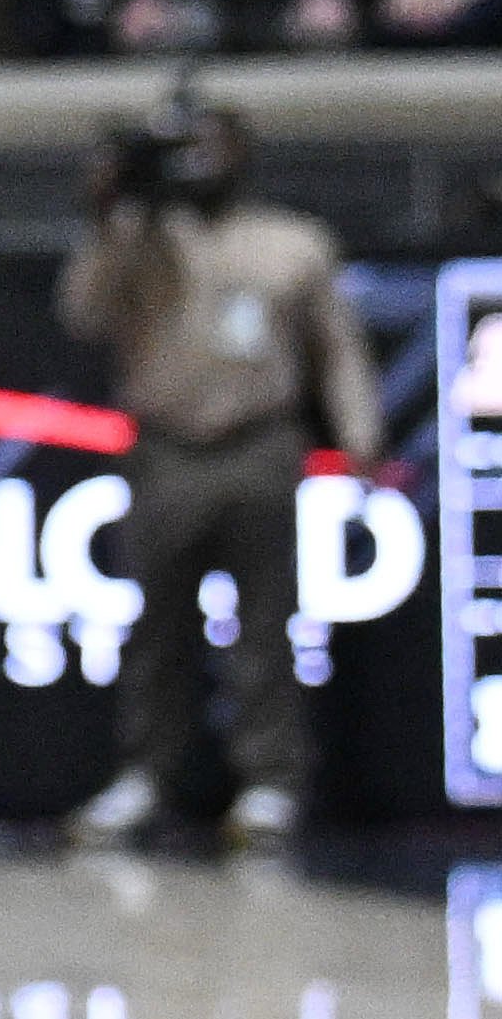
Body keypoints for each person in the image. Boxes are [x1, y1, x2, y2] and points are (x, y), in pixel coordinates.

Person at [59, 97, 372, 846]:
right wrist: (107, 213)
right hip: (165, 448)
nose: (198, 160)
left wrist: (360, 439)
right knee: (155, 626)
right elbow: (82, 314)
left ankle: (269, 780)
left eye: (212, 144)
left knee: (265, 624)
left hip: (259, 442)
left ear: (242, 152)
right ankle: (146, 773)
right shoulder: (140, 239)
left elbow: (338, 349)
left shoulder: (291, 243)